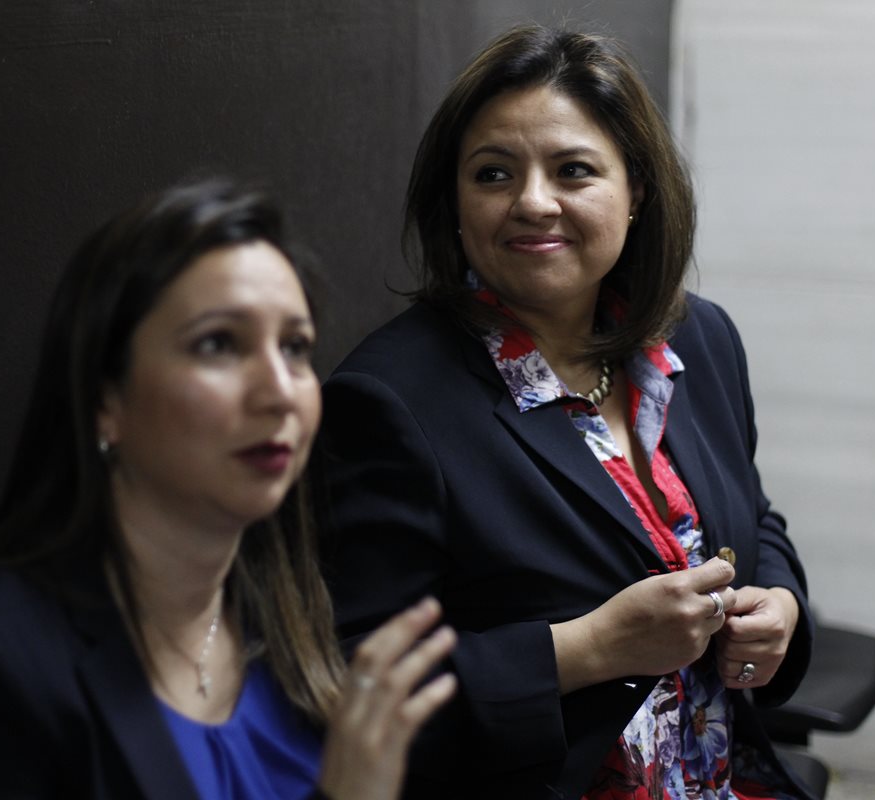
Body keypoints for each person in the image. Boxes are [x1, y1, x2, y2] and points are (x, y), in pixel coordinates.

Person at [315, 24, 814, 800]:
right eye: (493, 174)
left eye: (573, 170)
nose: (532, 202)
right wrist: (588, 648)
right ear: (454, 200)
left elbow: (753, 516)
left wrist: (779, 607)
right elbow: (345, 686)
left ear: (636, 189)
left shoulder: (700, 338)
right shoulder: (387, 400)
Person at [0, 178, 457, 800]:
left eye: (295, 348)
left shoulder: (289, 613)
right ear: (106, 399)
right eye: (218, 344)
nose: (280, 392)